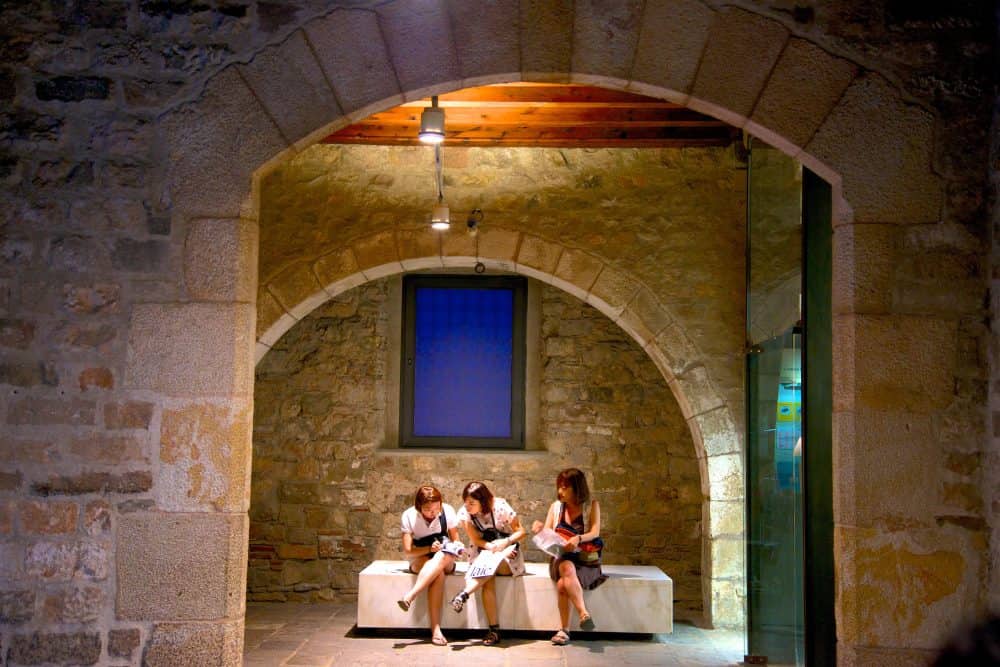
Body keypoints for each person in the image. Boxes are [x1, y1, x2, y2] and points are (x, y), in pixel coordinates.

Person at [531, 467, 607, 646]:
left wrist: (578, 538)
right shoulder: (556, 507)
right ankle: (583, 613)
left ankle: (564, 630)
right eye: (559, 487)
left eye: (565, 487)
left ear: (577, 488)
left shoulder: (591, 506)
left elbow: (595, 532)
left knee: (562, 584)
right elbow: (548, 532)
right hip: (561, 557)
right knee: (565, 566)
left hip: (585, 559)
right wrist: (540, 528)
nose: (560, 491)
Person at [450, 481, 526, 647]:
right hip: (484, 552)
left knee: (491, 565)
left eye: (472, 503)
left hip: (507, 554)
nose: (467, 506)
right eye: (466, 502)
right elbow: (476, 539)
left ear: (483, 501)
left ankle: (464, 594)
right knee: (487, 577)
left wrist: (505, 542)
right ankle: (494, 630)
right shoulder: (465, 514)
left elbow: (521, 531)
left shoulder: (500, 506)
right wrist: (491, 547)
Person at [396, 485, 462, 646]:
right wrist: (428, 549)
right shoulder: (409, 516)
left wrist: (458, 549)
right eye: (428, 509)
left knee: (442, 556)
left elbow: (456, 540)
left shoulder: (448, 511)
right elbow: (408, 551)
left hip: (445, 558)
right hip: (421, 558)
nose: (433, 513)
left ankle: (411, 595)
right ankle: (436, 630)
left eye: (436, 509)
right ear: (419, 507)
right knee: (437, 574)